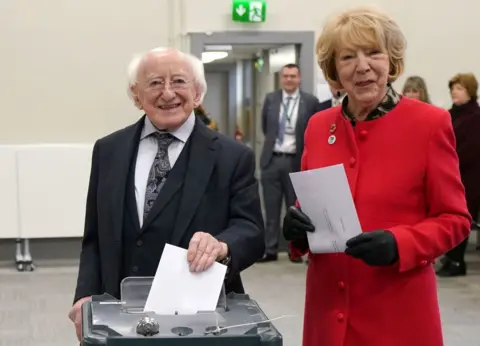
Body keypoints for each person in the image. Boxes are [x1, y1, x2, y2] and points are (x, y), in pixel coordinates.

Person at [283, 6, 471, 346]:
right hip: (327, 317)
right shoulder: (317, 126)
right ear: (335, 70)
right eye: (348, 57)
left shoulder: (429, 124)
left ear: (391, 60)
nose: (362, 66)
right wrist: (297, 230)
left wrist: (401, 244)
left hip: (397, 317)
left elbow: (455, 218)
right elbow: (311, 205)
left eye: (373, 53)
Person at [68, 47, 265, 341]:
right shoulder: (108, 150)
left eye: (179, 82)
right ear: (136, 95)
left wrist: (223, 245)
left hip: (200, 318)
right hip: (118, 316)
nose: (168, 93)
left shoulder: (232, 156)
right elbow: (94, 236)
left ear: (197, 93)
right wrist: (84, 296)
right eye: (155, 83)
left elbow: (251, 231)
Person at [258, 63, 322, 263]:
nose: (289, 79)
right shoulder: (271, 99)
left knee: (295, 208)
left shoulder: (310, 102)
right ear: (281, 78)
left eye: (293, 76)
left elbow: (314, 131)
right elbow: (265, 127)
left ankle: (295, 250)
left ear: (299, 78)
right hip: (272, 159)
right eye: (286, 76)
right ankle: (270, 249)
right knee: (270, 208)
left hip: (296, 161)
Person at [437, 73, 480, 277]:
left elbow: (470, 150)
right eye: (453, 88)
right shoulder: (449, 114)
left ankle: (457, 261)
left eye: (460, 88)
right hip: (447, 174)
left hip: (468, 177)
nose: (455, 91)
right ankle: (450, 257)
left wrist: (446, 162)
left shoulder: (475, 117)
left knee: (460, 217)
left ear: (470, 92)